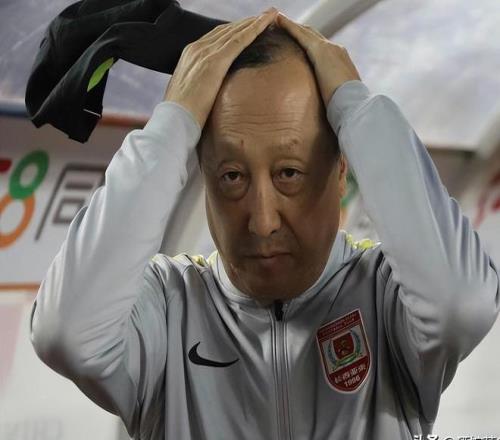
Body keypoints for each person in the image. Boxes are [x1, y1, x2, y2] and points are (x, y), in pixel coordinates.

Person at [29, 7, 499, 440]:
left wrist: (356, 105)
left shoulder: (385, 298)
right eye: (232, 177)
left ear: (341, 170)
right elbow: (65, 334)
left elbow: (463, 305)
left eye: (289, 173)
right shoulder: (169, 308)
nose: (262, 221)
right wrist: (174, 122)